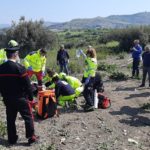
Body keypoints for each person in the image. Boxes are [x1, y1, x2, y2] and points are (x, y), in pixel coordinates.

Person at [0, 40, 38, 145]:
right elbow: (27, 85)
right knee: (28, 117)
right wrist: (31, 97)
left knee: (10, 120)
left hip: (8, 99)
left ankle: (12, 139)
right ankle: (31, 138)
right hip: (21, 98)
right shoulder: (20, 68)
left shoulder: (1, 68)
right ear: (16, 54)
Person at [80, 45, 97, 111]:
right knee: (86, 91)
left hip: (90, 78)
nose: (86, 54)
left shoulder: (93, 61)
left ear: (90, 54)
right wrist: (82, 54)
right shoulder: (89, 58)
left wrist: (88, 78)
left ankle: (91, 105)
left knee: (86, 92)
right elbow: (86, 58)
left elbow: (92, 70)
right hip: (86, 76)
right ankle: (88, 103)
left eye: (87, 53)